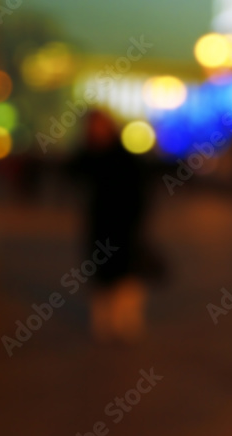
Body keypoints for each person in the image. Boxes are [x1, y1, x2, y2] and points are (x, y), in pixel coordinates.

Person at [69, 109, 165, 342]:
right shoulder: (89, 155)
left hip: (124, 226)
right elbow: (71, 173)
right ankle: (103, 324)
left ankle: (126, 324)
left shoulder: (125, 157)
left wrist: (136, 221)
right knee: (101, 275)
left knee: (126, 276)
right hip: (99, 224)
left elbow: (141, 192)